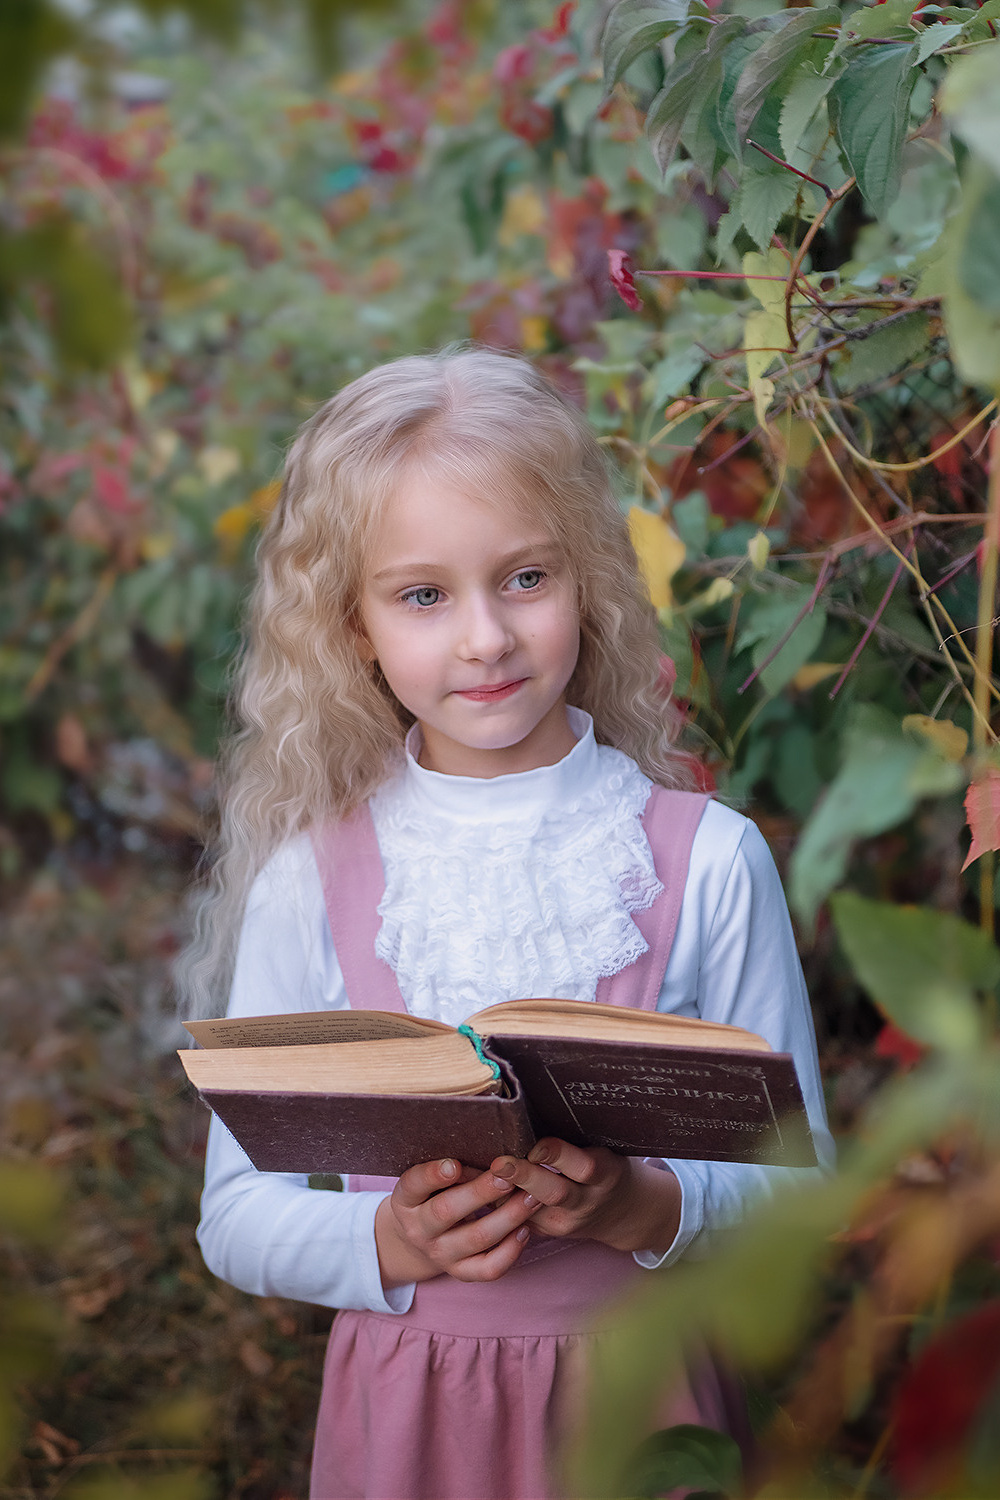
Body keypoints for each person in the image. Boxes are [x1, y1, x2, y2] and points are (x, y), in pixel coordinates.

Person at [181, 347, 834, 1500]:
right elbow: (235, 1217)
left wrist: (645, 1205)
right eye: (423, 595)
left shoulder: (705, 857)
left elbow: (807, 1189)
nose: (484, 637)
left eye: (525, 577)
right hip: (411, 1416)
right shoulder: (313, 877)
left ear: (586, 577)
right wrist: (390, 1243)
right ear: (352, 625)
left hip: (645, 1405)